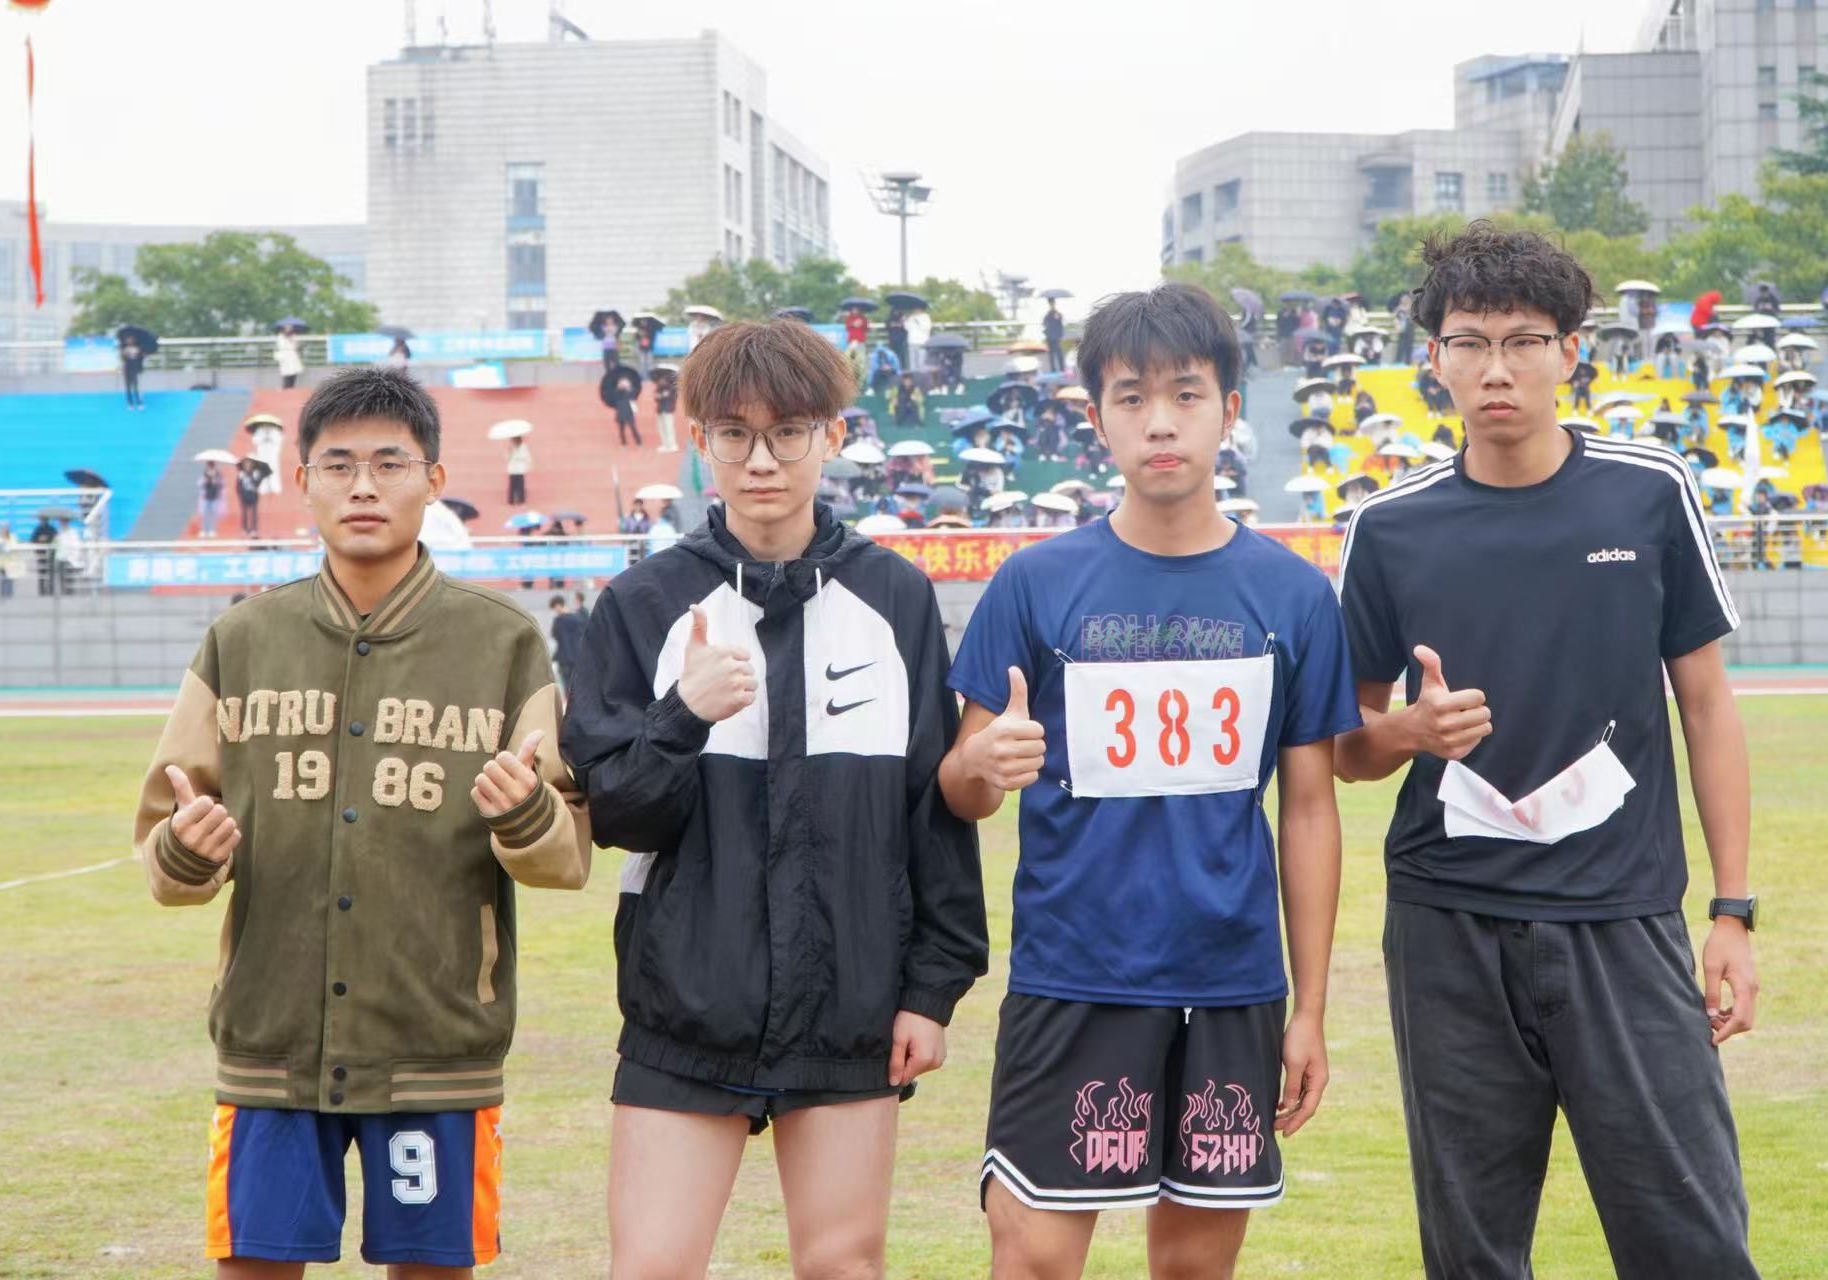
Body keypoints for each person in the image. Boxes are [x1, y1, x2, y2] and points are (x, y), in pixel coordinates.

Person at [1332, 222, 1761, 1280]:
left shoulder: (1648, 492)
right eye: (1470, 342)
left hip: (1622, 915)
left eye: (1524, 341)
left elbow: (1707, 706)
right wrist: (1410, 732)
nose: (1497, 369)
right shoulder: (1389, 526)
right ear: (1434, 358)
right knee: (1472, 1251)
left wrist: (1732, 910)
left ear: (1571, 351)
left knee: (1691, 1242)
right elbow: (1347, 745)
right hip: (1448, 925)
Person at [131, 366, 591, 1278]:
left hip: (435, 1043)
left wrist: (526, 813)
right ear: (302, 482)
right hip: (271, 1041)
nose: (364, 487)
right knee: (255, 1265)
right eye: (339, 465)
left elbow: (566, 854)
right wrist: (184, 849)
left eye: (390, 463)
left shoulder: (503, 642)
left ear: (434, 478)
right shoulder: (242, 640)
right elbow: (164, 842)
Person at [941, 283, 1351, 1278]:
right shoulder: (1034, 583)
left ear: (1229, 409)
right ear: (1098, 418)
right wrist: (982, 765)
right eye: (1132, 398)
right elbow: (960, 786)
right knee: (1033, 1253)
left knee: (1197, 1265)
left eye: (1185, 394)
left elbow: (1309, 810)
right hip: (1074, 972)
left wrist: (1308, 1007)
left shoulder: (1295, 594)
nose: (1160, 421)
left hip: (1231, 982)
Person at [564, 318, 987, 1278]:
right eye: (734, 435)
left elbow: (929, 814)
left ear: (831, 435)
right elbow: (620, 816)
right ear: (699, 439)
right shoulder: (641, 604)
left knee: (843, 1266)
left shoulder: (897, 597)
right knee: (652, 1269)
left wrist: (931, 992)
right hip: (685, 1006)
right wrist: (682, 716)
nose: (761, 461)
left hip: (852, 1005)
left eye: (788, 432)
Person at [602, 364, 645, 447]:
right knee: (621, 428)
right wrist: (619, 388)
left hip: (629, 411)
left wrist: (628, 388)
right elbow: (613, 398)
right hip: (620, 411)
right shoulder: (616, 392)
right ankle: (623, 442)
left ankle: (638, 442)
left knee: (632, 427)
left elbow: (634, 395)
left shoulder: (631, 391)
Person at [0, 521, 22, 599]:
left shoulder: (13, 536)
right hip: (1, 562)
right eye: (3, 527)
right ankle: (3, 596)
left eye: (6, 527)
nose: (4, 529)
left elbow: (16, 546)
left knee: (10, 579)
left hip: (11, 561)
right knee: (3, 579)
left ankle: (9, 596)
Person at [653, 366, 681, 453]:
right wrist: (659, 396)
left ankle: (672, 444)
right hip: (660, 409)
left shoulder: (672, 387)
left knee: (669, 427)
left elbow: (673, 398)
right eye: (660, 379)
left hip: (668, 409)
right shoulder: (659, 387)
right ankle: (664, 444)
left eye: (663, 379)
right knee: (661, 428)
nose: (661, 380)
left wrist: (665, 395)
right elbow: (656, 398)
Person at [197, 461, 226, 538]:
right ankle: (204, 530)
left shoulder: (218, 474)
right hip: (206, 497)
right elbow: (199, 484)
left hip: (215, 497)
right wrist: (204, 482)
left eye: (211, 466)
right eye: (208, 466)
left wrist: (216, 482)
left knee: (213, 514)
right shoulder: (204, 474)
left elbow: (222, 484)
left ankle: (212, 530)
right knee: (205, 514)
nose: (209, 467)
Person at [122, 333, 149, 409]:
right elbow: (123, 359)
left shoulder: (138, 348)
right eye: (128, 339)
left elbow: (141, 358)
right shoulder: (124, 348)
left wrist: (140, 354)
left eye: (131, 339)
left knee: (135, 385)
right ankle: (130, 403)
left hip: (135, 368)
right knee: (128, 386)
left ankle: (139, 402)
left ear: (134, 340)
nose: (129, 340)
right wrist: (125, 353)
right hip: (127, 368)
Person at [235, 464, 263, 538]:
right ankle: (245, 529)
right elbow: (238, 486)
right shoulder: (241, 475)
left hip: (253, 495)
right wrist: (240, 493)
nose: (248, 468)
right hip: (244, 495)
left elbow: (258, 483)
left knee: (254, 513)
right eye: (246, 466)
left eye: (249, 466)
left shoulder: (255, 474)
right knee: (244, 513)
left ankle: (254, 529)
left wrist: (252, 477)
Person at [505, 436, 532, 506]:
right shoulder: (510, 447)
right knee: (512, 486)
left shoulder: (523, 447)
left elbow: (526, 457)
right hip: (512, 469)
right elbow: (507, 458)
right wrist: (509, 452)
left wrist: (528, 466)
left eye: (513, 440)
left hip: (520, 469)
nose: (512, 442)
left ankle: (521, 501)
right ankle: (511, 501)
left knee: (520, 486)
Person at [1043, 299, 1067, 373]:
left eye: (1052, 303)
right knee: (1052, 354)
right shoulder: (1048, 314)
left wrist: (1056, 314)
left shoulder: (1057, 313)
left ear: (1054, 303)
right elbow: (1044, 323)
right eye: (1050, 303)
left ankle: (1062, 369)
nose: (1051, 305)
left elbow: (1061, 321)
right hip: (1050, 336)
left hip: (1056, 337)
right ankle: (1053, 370)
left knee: (1059, 353)